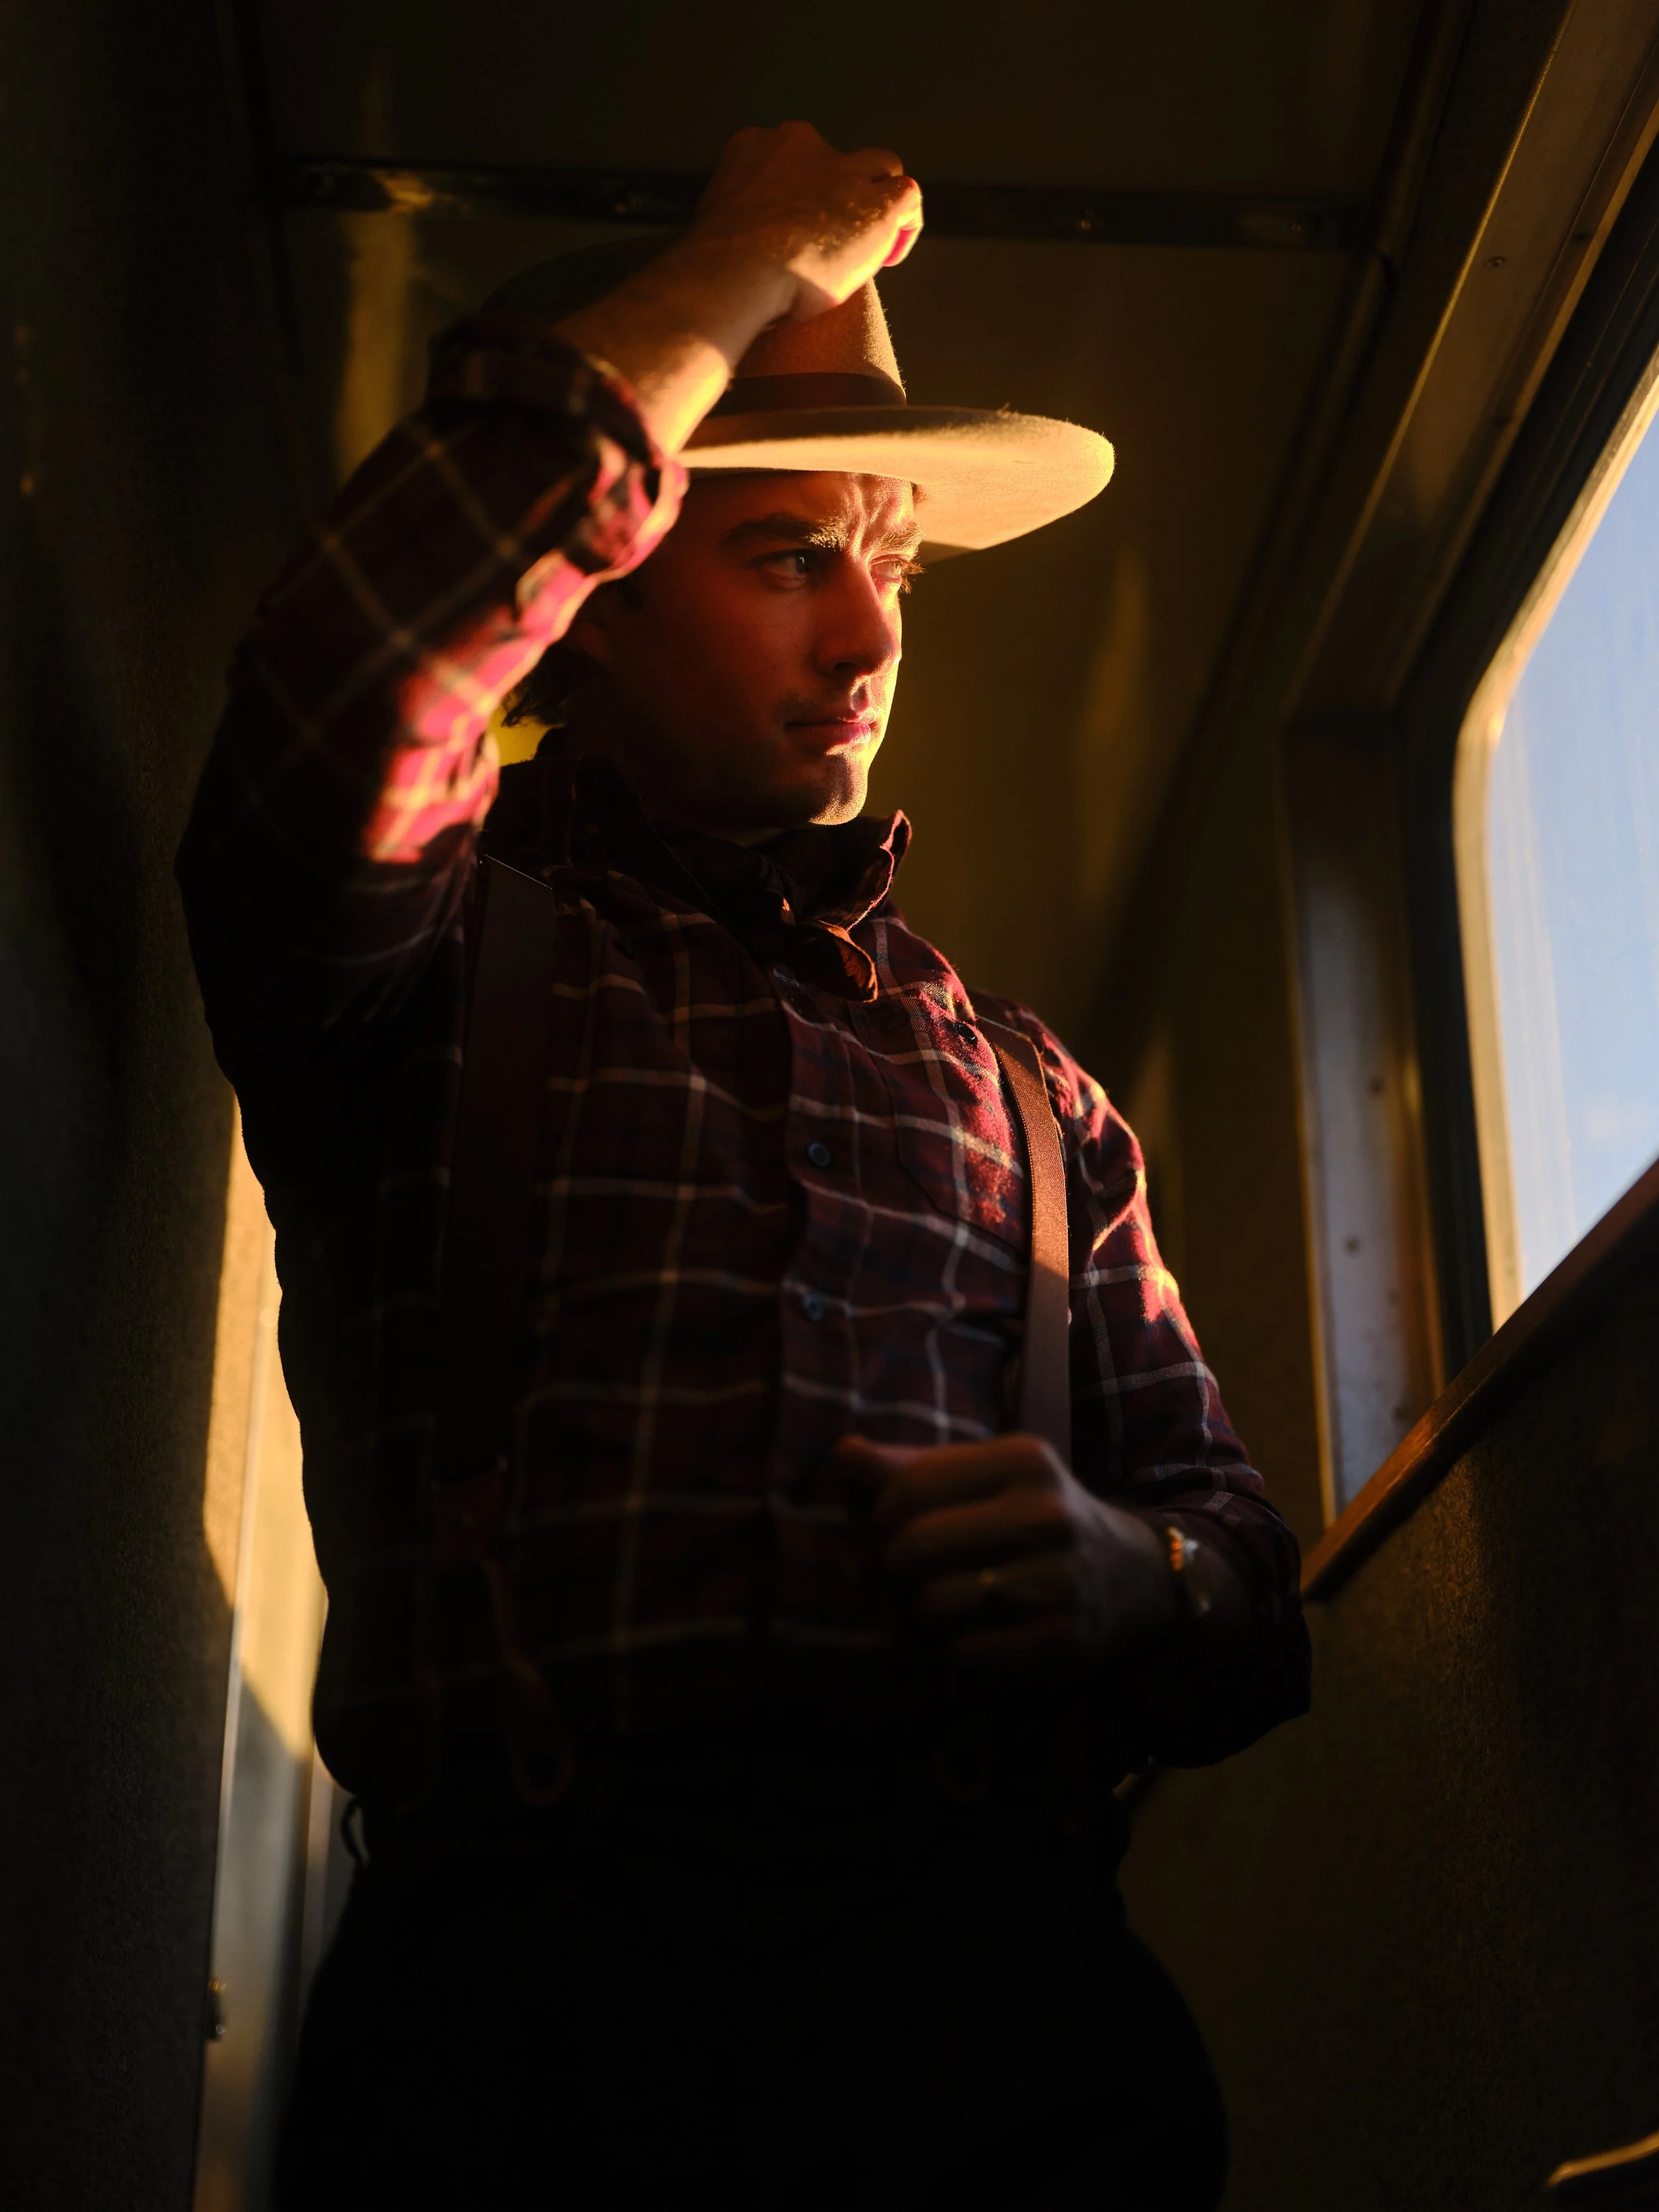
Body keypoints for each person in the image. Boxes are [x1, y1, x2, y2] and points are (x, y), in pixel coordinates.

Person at [179, 121, 1309, 2211]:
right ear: (593, 608)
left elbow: (1246, 1585)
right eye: (792, 557)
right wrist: (751, 257)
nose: (873, 640)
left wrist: (1119, 1571)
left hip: (1012, 2042)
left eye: (898, 561)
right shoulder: (425, 955)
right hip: (529, 2044)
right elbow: (353, 676)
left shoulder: (1038, 1094)